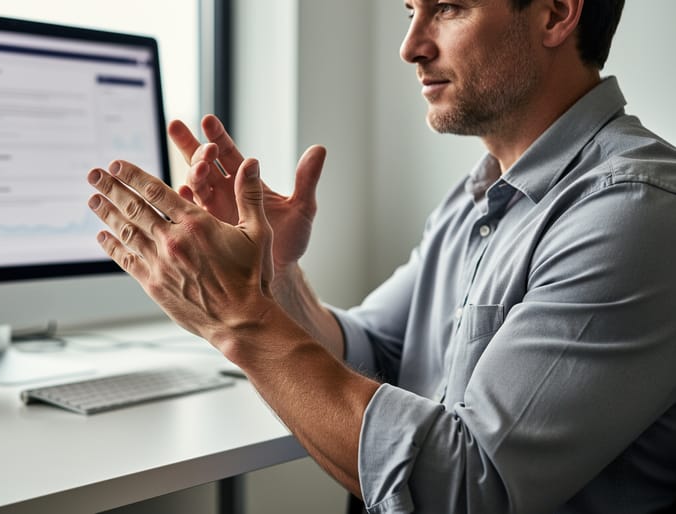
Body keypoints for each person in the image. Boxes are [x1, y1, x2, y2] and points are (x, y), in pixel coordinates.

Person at [85, 0, 676, 511]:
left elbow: (468, 491)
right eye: (410, 11)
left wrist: (239, 318)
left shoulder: (634, 211)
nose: (411, 46)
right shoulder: (475, 198)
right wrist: (273, 277)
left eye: (447, 9)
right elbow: (372, 353)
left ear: (555, 14)